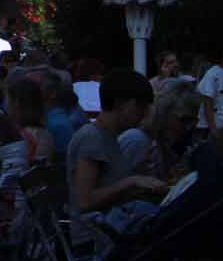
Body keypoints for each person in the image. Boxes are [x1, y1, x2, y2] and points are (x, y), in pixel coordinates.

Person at [66, 69, 168, 232]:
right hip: (97, 239)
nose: (143, 113)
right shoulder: (91, 138)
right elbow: (85, 201)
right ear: (120, 104)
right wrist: (131, 181)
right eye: (139, 106)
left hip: (115, 228)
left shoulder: (109, 137)